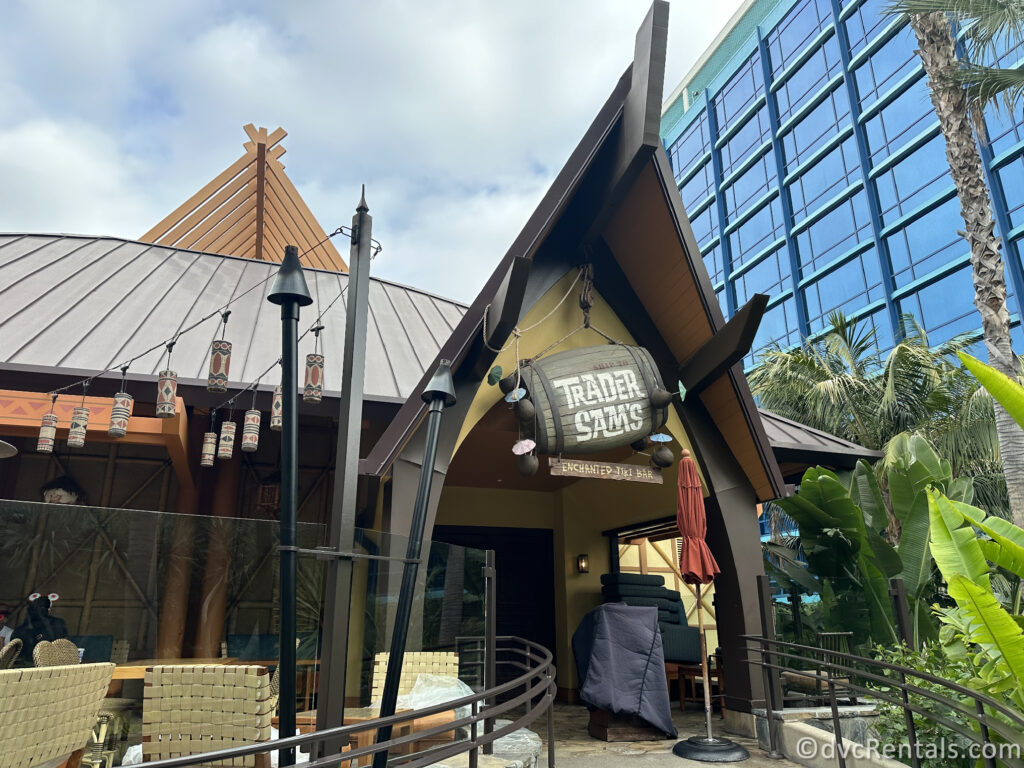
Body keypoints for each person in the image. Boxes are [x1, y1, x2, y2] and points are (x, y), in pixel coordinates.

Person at [12, 593, 68, 664]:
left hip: (51, 663)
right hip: (27, 663)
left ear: (49, 609)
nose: (41, 610)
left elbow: (61, 645)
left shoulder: (57, 623)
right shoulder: (23, 629)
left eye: (44, 607)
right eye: (39, 607)